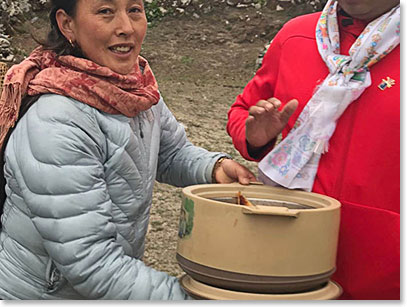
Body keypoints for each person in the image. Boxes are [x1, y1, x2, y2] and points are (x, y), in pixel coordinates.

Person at [0, 0, 256, 300]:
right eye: (105, 12)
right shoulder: (56, 121)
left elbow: (170, 152)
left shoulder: (134, 90)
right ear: (67, 24)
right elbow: (92, 263)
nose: (126, 27)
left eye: (134, 10)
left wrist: (212, 168)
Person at [227, 0, 399, 300]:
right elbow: (243, 109)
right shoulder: (296, 35)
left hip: (386, 276)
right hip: (288, 256)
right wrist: (255, 137)